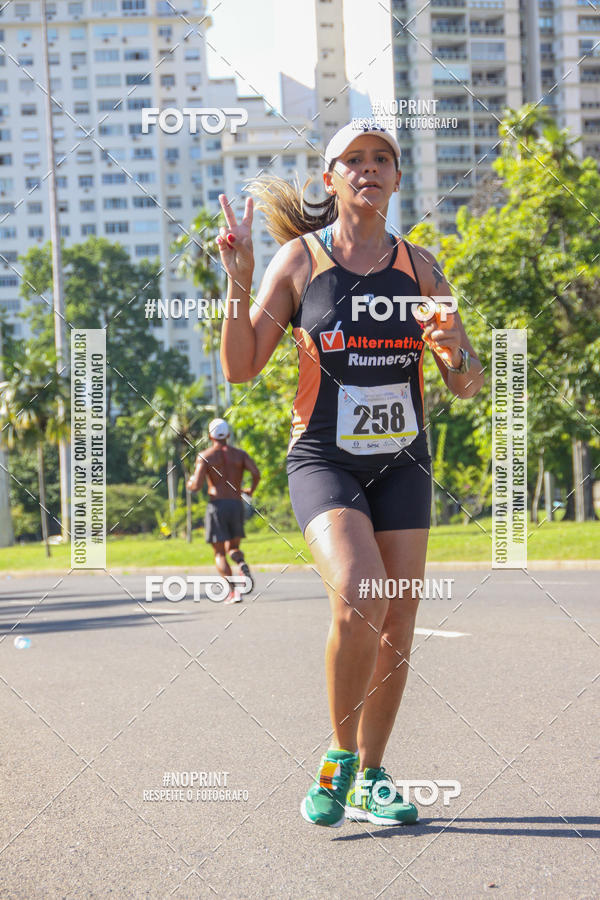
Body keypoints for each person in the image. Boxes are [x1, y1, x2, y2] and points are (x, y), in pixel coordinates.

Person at [217, 120, 484, 825]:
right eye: (353, 160)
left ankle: (372, 774)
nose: (369, 168)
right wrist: (239, 283)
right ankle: (338, 758)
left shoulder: (421, 268)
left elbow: (464, 384)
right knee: (362, 590)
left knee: (398, 613)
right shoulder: (300, 263)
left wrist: (455, 349)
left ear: (398, 178)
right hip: (324, 459)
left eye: (382, 159)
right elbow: (241, 370)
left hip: (403, 463)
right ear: (331, 178)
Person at [186, 418, 260, 605]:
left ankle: (234, 592)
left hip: (217, 506)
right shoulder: (240, 455)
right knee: (233, 548)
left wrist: (190, 483)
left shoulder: (206, 456)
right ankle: (241, 564)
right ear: (227, 434)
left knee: (219, 553)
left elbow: (196, 485)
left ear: (211, 435)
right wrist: (250, 489)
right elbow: (256, 473)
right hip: (236, 505)